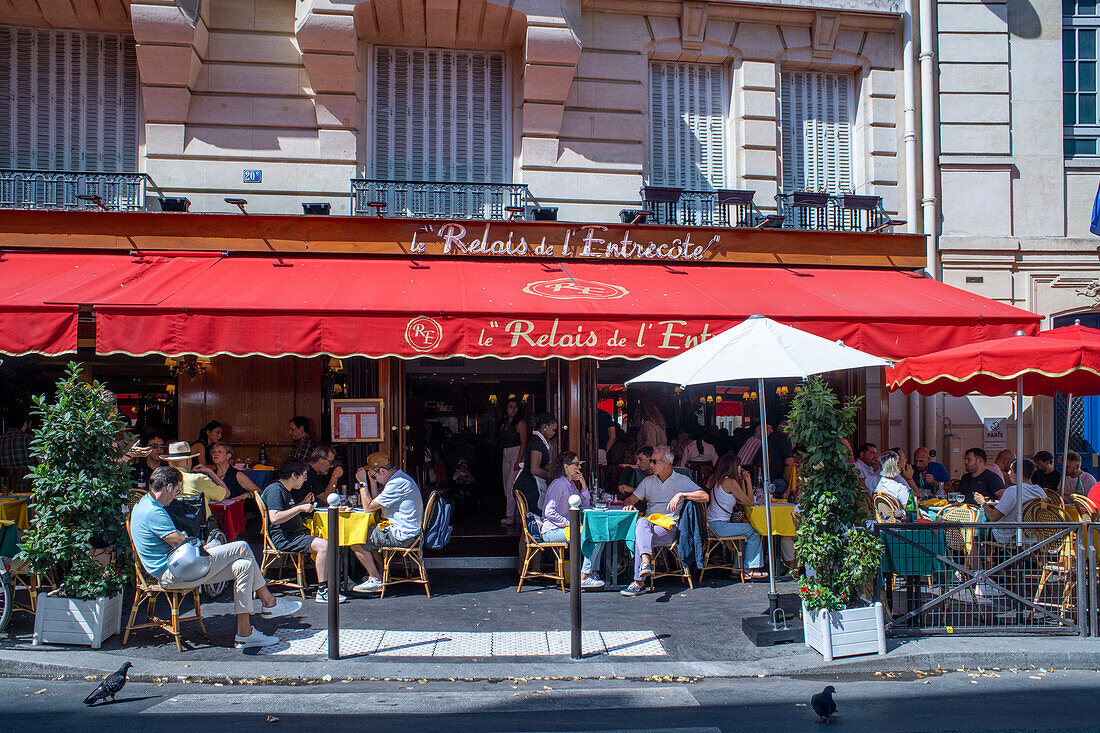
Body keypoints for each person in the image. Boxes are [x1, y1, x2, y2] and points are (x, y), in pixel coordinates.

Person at [130, 466, 301, 649]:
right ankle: (269, 602)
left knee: (243, 565)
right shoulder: (154, 512)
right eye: (177, 490)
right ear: (169, 487)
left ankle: (245, 634)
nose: (175, 497)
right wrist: (202, 544)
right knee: (242, 547)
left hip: (176, 567)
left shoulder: (144, 503)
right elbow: (179, 543)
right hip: (174, 573)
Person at [261, 460, 376, 601]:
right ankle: (323, 590)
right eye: (303, 476)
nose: (305, 479)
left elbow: (286, 511)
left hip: (295, 534)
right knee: (324, 545)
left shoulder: (285, 490)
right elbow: (275, 518)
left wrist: (302, 504)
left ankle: (336, 582)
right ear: (293, 476)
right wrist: (300, 508)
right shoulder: (275, 490)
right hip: (285, 537)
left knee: (332, 541)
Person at [620, 446, 708, 597]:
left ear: (667, 463)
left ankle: (639, 581)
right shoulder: (648, 481)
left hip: (669, 527)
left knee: (639, 534)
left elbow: (705, 496)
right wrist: (629, 503)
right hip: (649, 526)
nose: (651, 464)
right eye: (651, 461)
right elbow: (630, 500)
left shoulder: (681, 480)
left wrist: (682, 495)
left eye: (654, 461)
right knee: (641, 525)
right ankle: (645, 564)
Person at [353, 452, 426, 591]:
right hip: (406, 531)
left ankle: (375, 579)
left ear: (382, 471)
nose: (373, 479)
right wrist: (373, 483)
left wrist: (363, 484)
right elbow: (376, 503)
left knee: (355, 537)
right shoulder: (400, 478)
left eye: (374, 476)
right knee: (370, 532)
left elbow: (368, 508)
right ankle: (381, 574)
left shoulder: (397, 484)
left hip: (403, 536)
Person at [539, 451, 605, 589]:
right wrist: (569, 523)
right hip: (552, 530)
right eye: (576, 464)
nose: (579, 467)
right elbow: (548, 511)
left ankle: (592, 572)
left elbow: (585, 505)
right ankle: (585, 575)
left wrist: (583, 484)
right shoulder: (559, 484)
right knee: (594, 537)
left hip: (565, 528)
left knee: (600, 535)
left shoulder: (570, 484)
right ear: (566, 466)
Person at [705, 453, 766, 581]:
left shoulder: (716, 479)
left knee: (745, 534)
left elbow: (742, 498)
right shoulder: (730, 482)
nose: (741, 468)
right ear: (733, 466)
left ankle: (737, 569)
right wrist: (749, 481)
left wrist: (742, 481)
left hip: (711, 525)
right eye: (739, 465)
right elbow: (749, 502)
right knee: (755, 530)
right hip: (720, 526)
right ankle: (749, 569)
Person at [976, 458, 1046, 544]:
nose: (1009, 473)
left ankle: (976, 556)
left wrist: (982, 503)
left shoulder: (1013, 491)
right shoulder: (1040, 491)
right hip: (1033, 537)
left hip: (1009, 537)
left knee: (975, 533)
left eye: (1011, 470)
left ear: (1019, 473)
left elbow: (993, 517)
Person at [161, 441, 229, 516]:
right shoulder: (198, 479)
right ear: (188, 461)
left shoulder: (162, 480)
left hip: (170, 524)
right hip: (197, 526)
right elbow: (226, 494)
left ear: (169, 463)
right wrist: (211, 472)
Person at [514, 412, 556, 510]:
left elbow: (542, 465)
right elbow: (534, 469)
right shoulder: (537, 442)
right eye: (553, 430)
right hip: (529, 486)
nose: (554, 433)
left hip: (531, 485)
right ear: (545, 426)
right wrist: (550, 476)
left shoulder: (539, 442)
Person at [500, 399, 528, 526]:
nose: (513, 409)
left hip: (516, 452)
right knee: (506, 484)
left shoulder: (521, 423)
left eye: (515, 407)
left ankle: (510, 515)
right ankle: (516, 513)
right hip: (506, 452)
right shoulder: (505, 423)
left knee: (511, 485)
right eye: (510, 407)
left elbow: (523, 443)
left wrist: (519, 459)